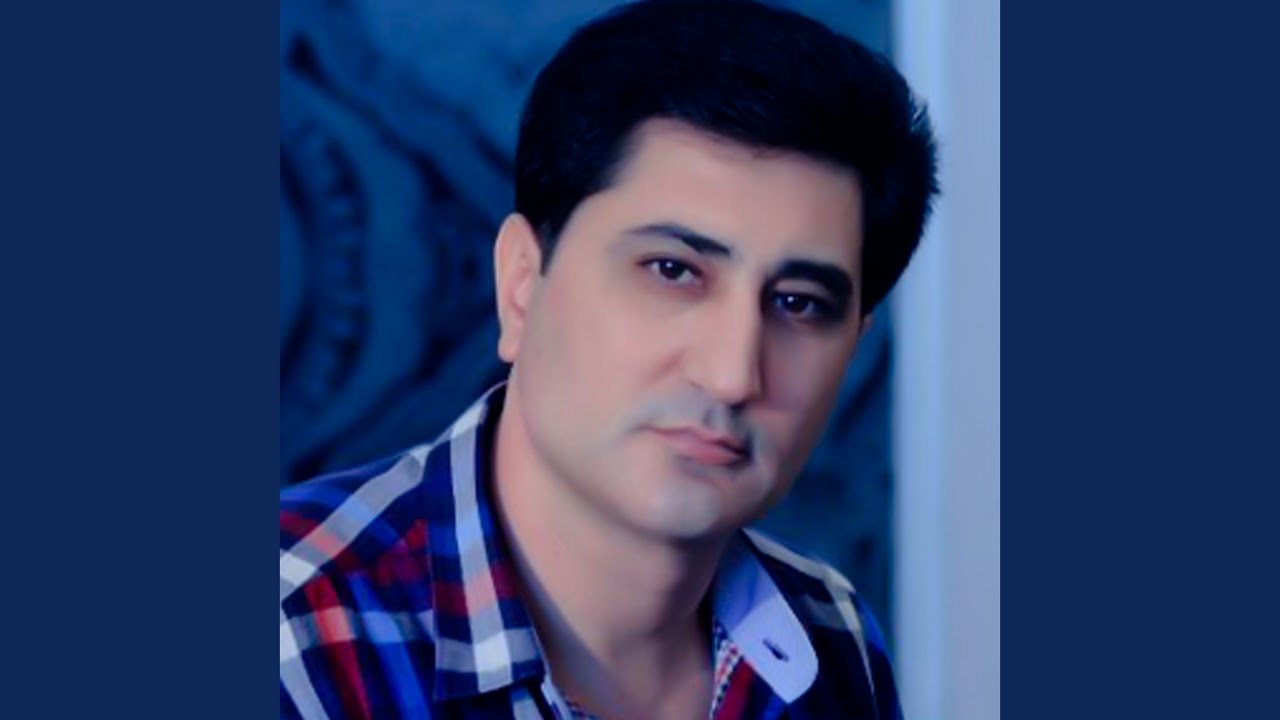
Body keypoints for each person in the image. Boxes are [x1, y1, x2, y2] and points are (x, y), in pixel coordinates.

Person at [279, 0, 938, 717]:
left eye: (799, 304)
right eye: (672, 270)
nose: (731, 374)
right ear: (521, 284)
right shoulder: (292, 634)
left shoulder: (830, 639)